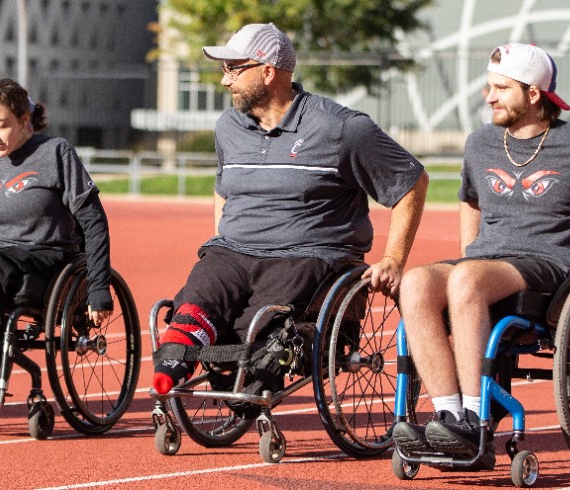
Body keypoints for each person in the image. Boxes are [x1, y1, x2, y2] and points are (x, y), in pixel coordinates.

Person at [392, 43, 570, 470]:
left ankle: (475, 422)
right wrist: (471, 254)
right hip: (490, 262)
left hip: (554, 265)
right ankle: (449, 414)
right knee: (416, 282)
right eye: (489, 87)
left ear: (534, 95)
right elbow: (470, 200)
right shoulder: (480, 143)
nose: (489, 97)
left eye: (501, 88)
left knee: (466, 282)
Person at [151, 23, 429, 395]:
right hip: (235, 252)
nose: (225, 81)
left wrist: (394, 259)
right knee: (201, 291)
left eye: (234, 69)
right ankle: (174, 360)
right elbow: (223, 188)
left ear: (268, 71)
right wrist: (224, 240)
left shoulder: (341, 128)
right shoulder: (228, 126)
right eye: (224, 70)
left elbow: (411, 181)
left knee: (257, 328)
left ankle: (251, 373)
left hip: (307, 256)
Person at [0, 78, 113, 391]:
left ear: (24, 120)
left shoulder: (55, 153)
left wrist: (99, 288)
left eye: (1, 125)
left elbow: (93, 220)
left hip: (46, 253)